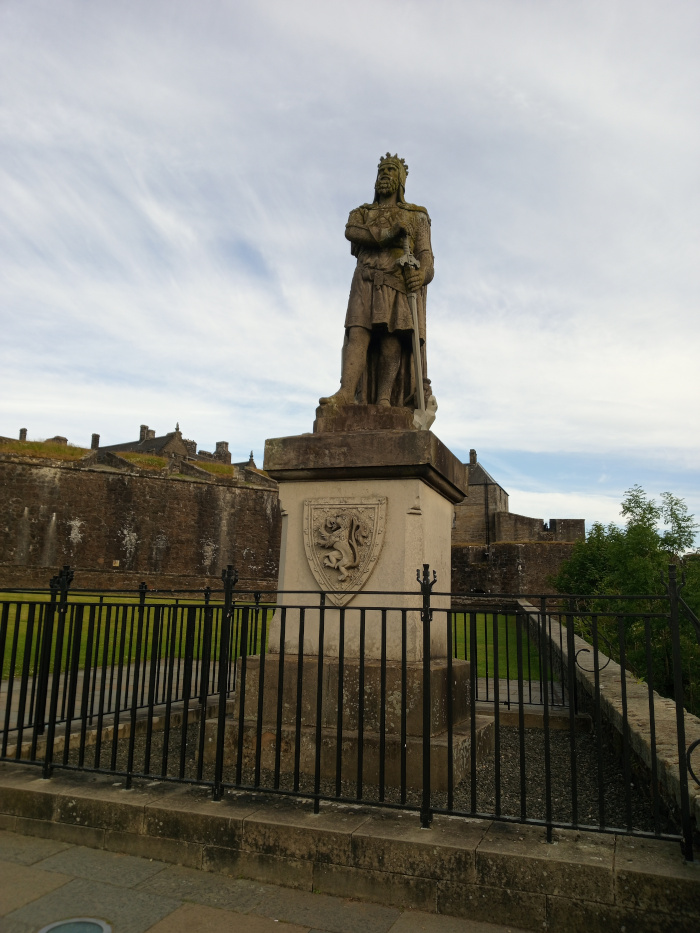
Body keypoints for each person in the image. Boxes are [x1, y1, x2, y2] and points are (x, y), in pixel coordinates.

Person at [320, 154, 434, 409]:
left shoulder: (417, 217)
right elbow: (352, 231)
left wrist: (421, 275)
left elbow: (426, 257)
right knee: (357, 332)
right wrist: (390, 233)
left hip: (397, 281)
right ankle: (346, 393)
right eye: (382, 170)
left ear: (401, 180)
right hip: (366, 279)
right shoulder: (361, 213)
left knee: (390, 339)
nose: (385, 174)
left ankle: (385, 399)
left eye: (392, 170)